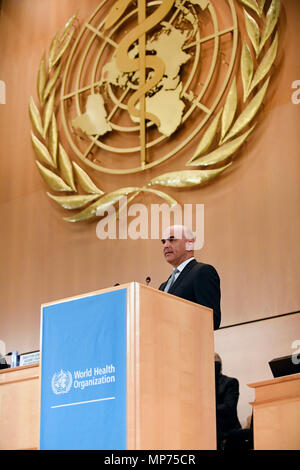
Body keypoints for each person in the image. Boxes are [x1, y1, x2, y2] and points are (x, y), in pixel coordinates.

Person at [158, 225, 221, 330]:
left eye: (172, 240)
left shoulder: (202, 272)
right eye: (163, 242)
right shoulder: (163, 286)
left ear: (189, 244)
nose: (166, 245)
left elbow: (211, 320)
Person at [214, 353, 242, 450]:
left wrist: (207, 409)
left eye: (215, 362)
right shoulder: (201, 387)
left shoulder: (230, 382)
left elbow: (229, 407)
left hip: (227, 430)